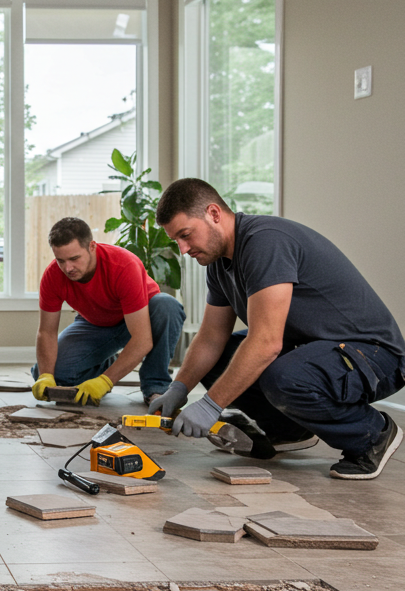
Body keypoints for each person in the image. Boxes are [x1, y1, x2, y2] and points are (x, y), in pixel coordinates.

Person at [151, 178, 405, 479]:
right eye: (176, 240)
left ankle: (371, 434)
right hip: (314, 348)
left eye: (186, 235)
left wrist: (210, 406)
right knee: (219, 359)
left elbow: (267, 343)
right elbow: (210, 339)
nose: (182, 249)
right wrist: (178, 389)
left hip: (375, 355)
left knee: (281, 374)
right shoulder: (219, 265)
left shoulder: (264, 242)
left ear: (214, 214)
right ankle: (289, 430)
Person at [31, 217, 185, 406]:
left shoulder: (123, 265)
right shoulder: (53, 275)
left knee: (167, 305)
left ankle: (156, 387)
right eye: (60, 260)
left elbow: (142, 339)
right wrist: (46, 375)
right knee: (55, 375)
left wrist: (106, 382)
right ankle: (105, 362)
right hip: (94, 322)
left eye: (74, 258)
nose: (67, 268)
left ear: (92, 247)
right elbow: (46, 332)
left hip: (140, 316)